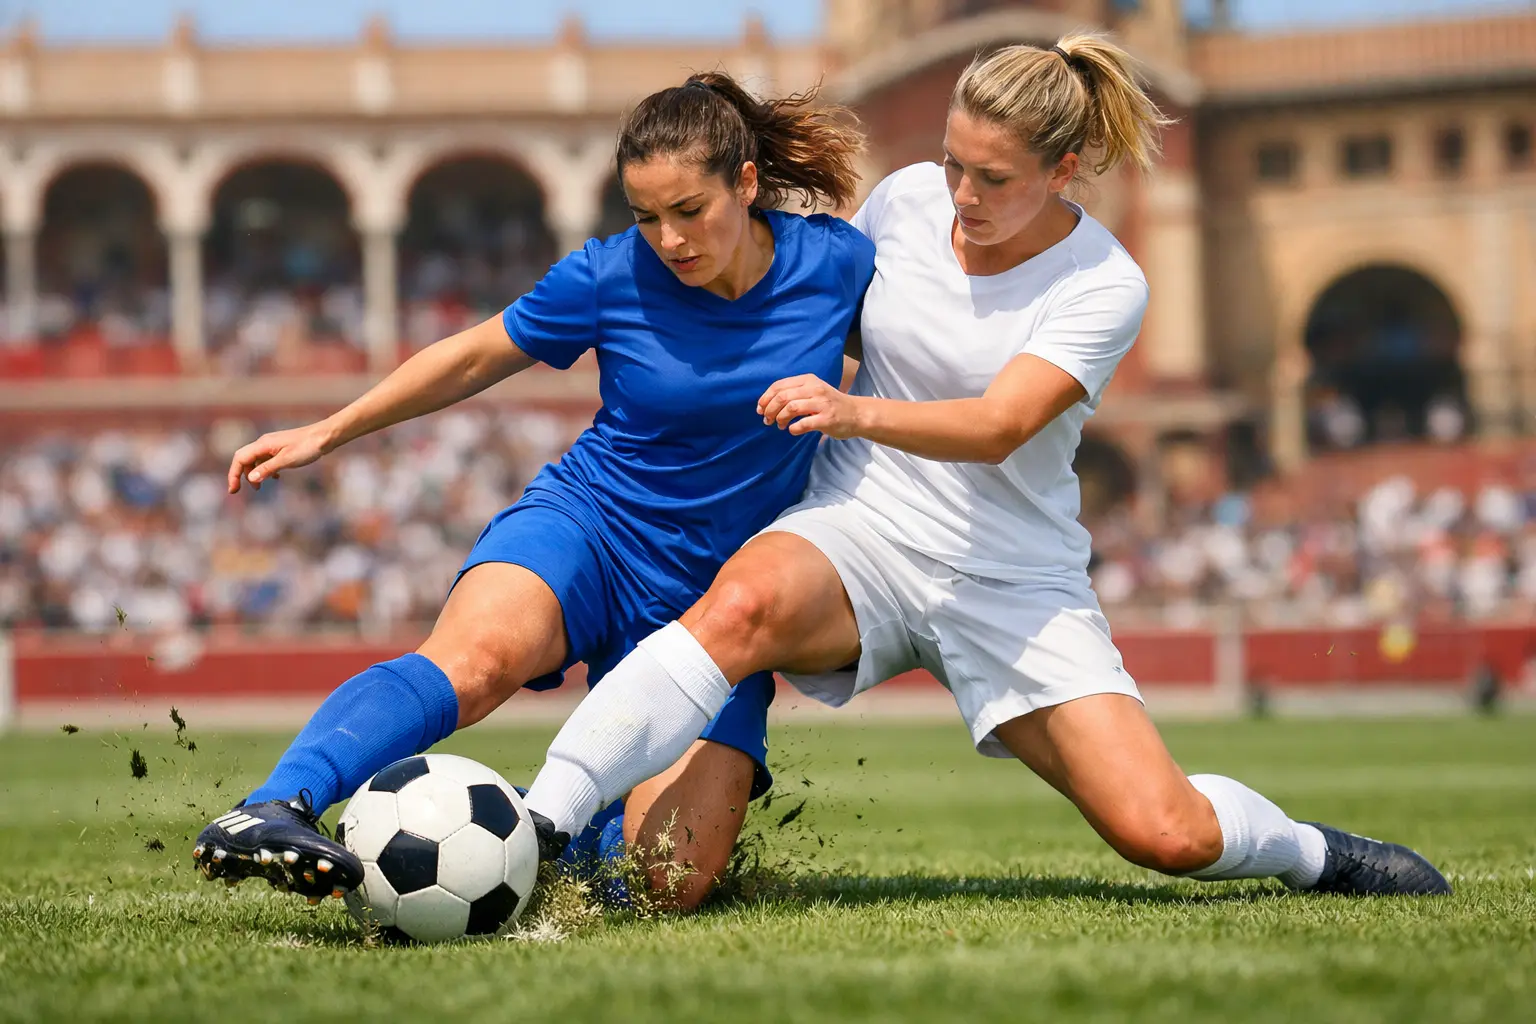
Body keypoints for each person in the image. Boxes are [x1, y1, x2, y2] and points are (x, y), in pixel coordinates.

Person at [520, 36, 1451, 899]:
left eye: (993, 178)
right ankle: (542, 823)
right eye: (953, 161)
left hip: (1010, 574)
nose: (961, 192)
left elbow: (1001, 423)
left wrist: (851, 410)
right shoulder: (906, 200)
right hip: (864, 525)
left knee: (1166, 834)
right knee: (740, 607)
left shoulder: (1105, 283)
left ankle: (1314, 852)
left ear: (1064, 170)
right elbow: (817, 317)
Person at [191, 71, 875, 908]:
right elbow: (475, 354)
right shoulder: (607, 275)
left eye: (689, 211)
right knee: (475, 665)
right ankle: (274, 804)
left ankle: (550, 841)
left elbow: (927, 356)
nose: (668, 239)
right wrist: (328, 430)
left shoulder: (838, 264)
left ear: (746, 181)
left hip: (723, 602)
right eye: (645, 216)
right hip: (591, 525)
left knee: (662, 884)